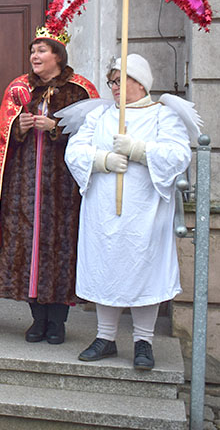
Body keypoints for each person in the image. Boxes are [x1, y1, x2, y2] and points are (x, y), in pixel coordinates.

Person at [63, 54, 195, 370]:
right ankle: (105, 337)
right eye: (112, 81)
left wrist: (139, 151)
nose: (114, 87)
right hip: (103, 209)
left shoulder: (163, 116)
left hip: (144, 210)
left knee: (143, 269)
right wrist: (102, 160)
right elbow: (75, 150)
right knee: (106, 267)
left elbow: (179, 155)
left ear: (140, 81)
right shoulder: (101, 117)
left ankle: (143, 342)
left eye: (120, 80)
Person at [0, 26, 99, 345]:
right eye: (33, 50)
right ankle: (37, 318)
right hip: (25, 184)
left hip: (64, 188)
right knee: (29, 247)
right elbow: (1, 136)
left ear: (58, 56)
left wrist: (57, 128)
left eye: (42, 50)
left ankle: (58, 321)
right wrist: (17, 127)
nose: (34, 56)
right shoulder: (19, 87)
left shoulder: (81, 91)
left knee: (61, 247)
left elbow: (96, 136)